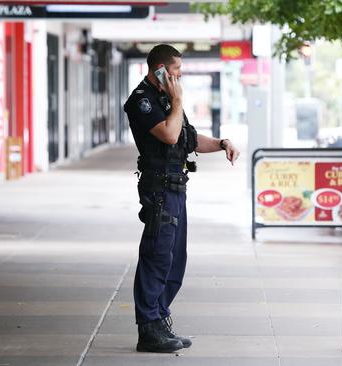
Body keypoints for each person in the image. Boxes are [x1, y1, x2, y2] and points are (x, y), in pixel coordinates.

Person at [123, 44, 240, 353]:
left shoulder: (167, 99)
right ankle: (148, 327)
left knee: (175, 257)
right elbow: (169, 135)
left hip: (176, 186)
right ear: (159, 70)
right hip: (159, 188)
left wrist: (221, 142)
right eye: (176, 73)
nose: (179, 79)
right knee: (157, 255)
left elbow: (186, 137)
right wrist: (177, 101)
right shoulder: (143, 101)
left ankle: (160, 319)